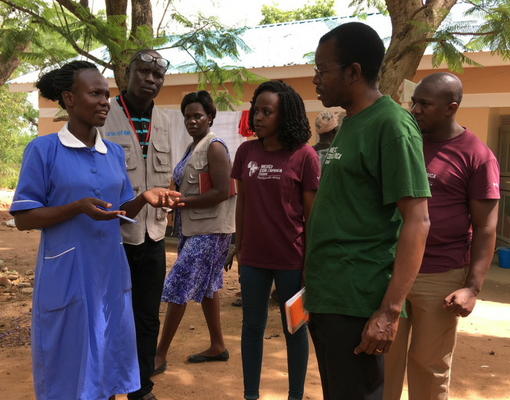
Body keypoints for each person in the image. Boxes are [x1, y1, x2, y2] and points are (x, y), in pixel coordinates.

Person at [10, 61, 182, 400]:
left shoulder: (113, 154)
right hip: (67, 273)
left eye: (106, 94)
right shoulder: (43, 150)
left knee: (106, 358)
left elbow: (117, 214)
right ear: (69, 99)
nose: (105, 101)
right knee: (67, 361)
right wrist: (75, 208)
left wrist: (144, 198)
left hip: (109, 273)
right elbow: (23, 218)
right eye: (95, 94)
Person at [304, 22, 432, 400]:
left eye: (321, 70)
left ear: (353, 72)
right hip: (330, 296)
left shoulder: (392, 125)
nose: (315, 79)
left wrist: (389, 311)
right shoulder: (349, 123)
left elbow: (417, 219)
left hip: (359, 301)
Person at [383, 72, 500, 400]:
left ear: (451, 108)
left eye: (425, 104)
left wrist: (472, 287)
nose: (415, 109)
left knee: (429, 366)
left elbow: (487, 227)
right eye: (414, 101)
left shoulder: (476, 155)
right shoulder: (405, 142)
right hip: (391, 270)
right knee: (382, 361)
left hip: (440, 276)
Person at [231, 80, 320, 400]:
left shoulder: (305, 156)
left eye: (267, 112)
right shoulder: (246, 152)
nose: (258, 117)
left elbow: (312, 216)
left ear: (285, 117)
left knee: (295, 329)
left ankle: (295, 396)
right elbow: (241, 203)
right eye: (257, 110)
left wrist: (309, 263)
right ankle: (250, 395)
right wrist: (239, 247)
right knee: (251, 327)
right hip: (253, 260)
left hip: (292, 262)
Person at [101, 49, 172, 400]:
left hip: (154, 236)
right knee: (112, 317)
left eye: (157, 75)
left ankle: (141, 389)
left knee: (146, 319)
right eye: (143, 71)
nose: (151, 79)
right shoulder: (105, 116)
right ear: (127, 73)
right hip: (114, 237)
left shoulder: (165, 121)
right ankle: (108, 386)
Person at [153, 91, 235, 373]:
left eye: (198, 115)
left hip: (211, 231)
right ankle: (218, 345)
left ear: (210, 117)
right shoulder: (193, 147)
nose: (192, 120)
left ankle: (159, 355)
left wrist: (182, 201)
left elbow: (223, 191)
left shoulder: (214, 147)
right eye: (187, 116)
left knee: (178, 283)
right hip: (193, 228)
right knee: (208, 286)